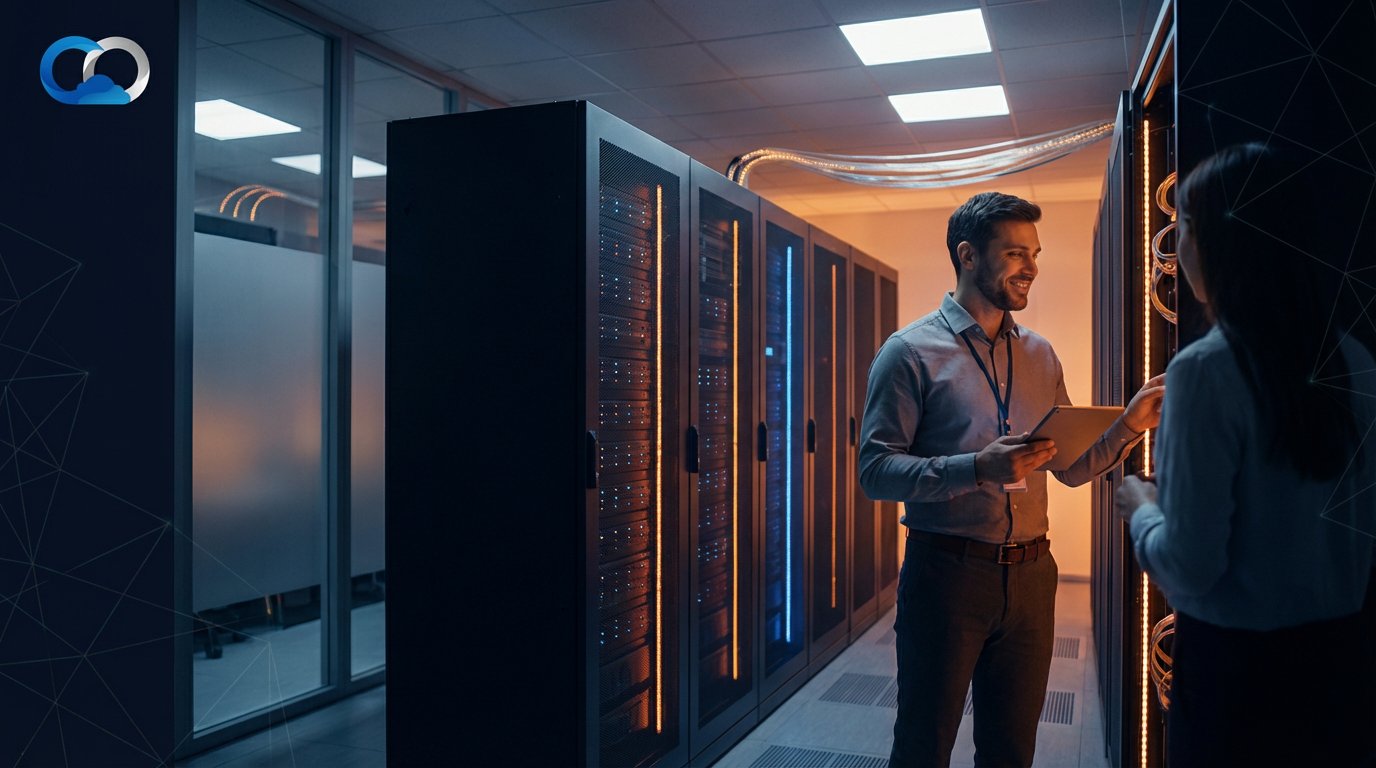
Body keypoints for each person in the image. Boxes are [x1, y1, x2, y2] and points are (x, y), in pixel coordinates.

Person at [859, 191, 1166, 768]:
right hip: (947, 576)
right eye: (1017, 253)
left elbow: (1070, 469)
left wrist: (1127, 425)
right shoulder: (908, 353)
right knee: (923, 745)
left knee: (1010, 750)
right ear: (969, 255)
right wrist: (977, 468)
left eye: (1036, 254)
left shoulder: (1041, 355)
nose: (1032, 268)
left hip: (1031, 578)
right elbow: (875, 472)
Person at [1116, 143, 1376, 767]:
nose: (1176, 253)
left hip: (1239, 680)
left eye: (1186, 230)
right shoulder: (1358, 362)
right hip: (1343, 669)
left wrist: (1141, 506)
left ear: (1225, 246)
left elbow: (1189, 566)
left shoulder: (1206, 371)